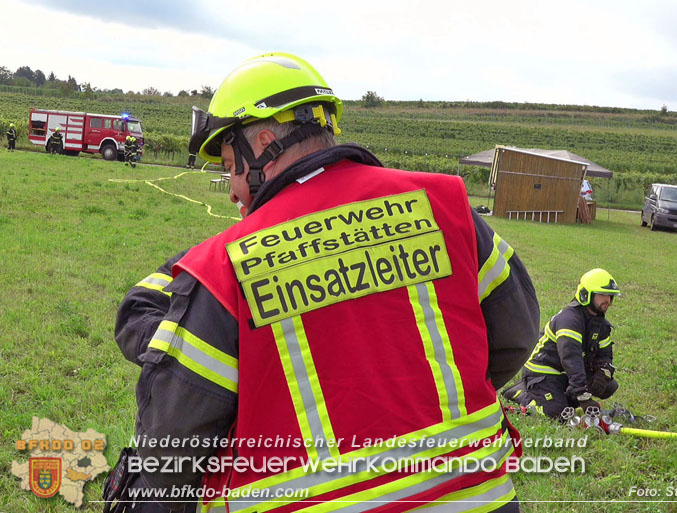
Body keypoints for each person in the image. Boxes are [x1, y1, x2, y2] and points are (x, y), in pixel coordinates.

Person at [112, 52, 539, 513]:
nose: (232, 187)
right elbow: (516, 335)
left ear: (262, 144)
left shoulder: (228, 263)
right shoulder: (445, 204)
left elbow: (174, 440)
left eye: (233, 164)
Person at [502, 268, 620, 420]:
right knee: (558, 414)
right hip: (544, 372)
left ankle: (562, 397)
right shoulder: (570, 320)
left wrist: (602, 374)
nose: (608, 301)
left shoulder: (600, 323)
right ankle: (521, 393)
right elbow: (571, 358)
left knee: (608, 386)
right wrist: (582, 396)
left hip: (565, 373)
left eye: (610, 296)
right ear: (586, 294)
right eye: (603, 294)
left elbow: (605, 355)